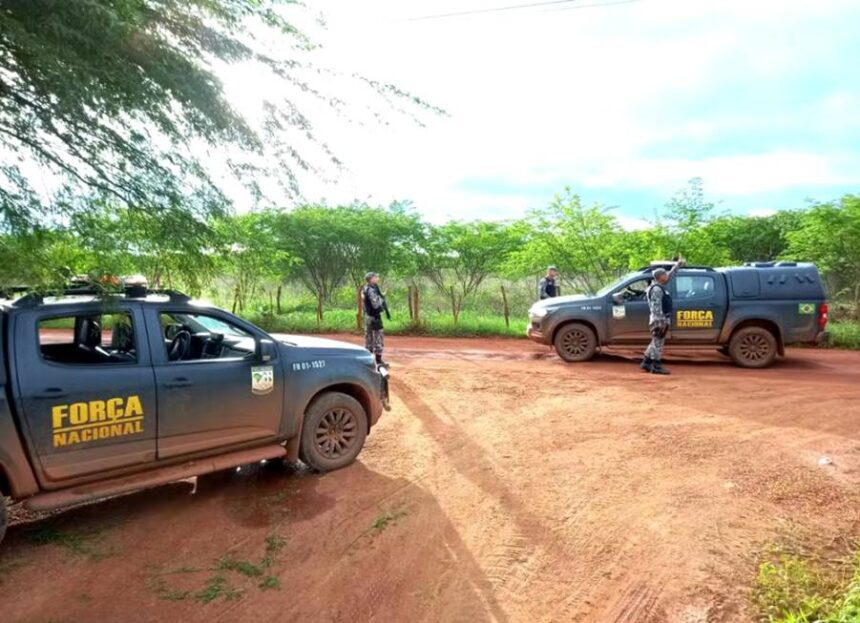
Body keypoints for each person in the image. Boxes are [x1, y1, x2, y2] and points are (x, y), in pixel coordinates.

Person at [641, 257, 685, 375]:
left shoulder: (658, 286)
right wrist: (661, 323)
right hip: (659, 320)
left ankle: (646, 362)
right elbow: (656, 308)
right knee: (658, 343)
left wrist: (678, 265)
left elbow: (670, 276)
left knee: (655, 341)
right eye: (665, 274)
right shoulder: (656, 290)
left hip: (659, 319)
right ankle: (656, 366)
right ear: (660, 277)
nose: (667, 276)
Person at [362, 272, 390, 367]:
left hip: (368, 317)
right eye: (375, 277)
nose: (377, 278)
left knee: (368, 339)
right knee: (378, 337)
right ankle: (378, 361)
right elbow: (375, 305)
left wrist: (382, 295)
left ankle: (367, 362)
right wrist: (382, 303)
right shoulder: (371, 290)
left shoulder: (365, 288)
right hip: (375, 317)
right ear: (371, 279)